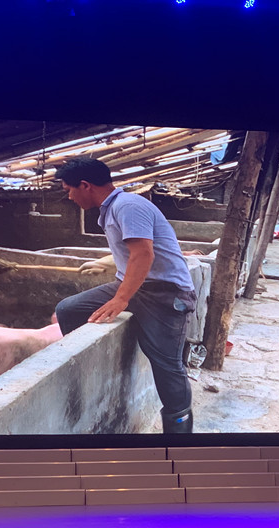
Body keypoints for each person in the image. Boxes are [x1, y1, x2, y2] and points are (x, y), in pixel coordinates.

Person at [54, 157, 197, 434]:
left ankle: (179, 433)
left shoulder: (128, 205)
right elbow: (131, 253)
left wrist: (121, 299)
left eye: (69, 190)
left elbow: (143, 254)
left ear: (85, 185)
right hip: (135, 286)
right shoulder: (112, 209)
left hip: (165, 294)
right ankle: (90, 368)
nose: (69, 197)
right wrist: (112, 276)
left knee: (166, 365)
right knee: (68, 309)